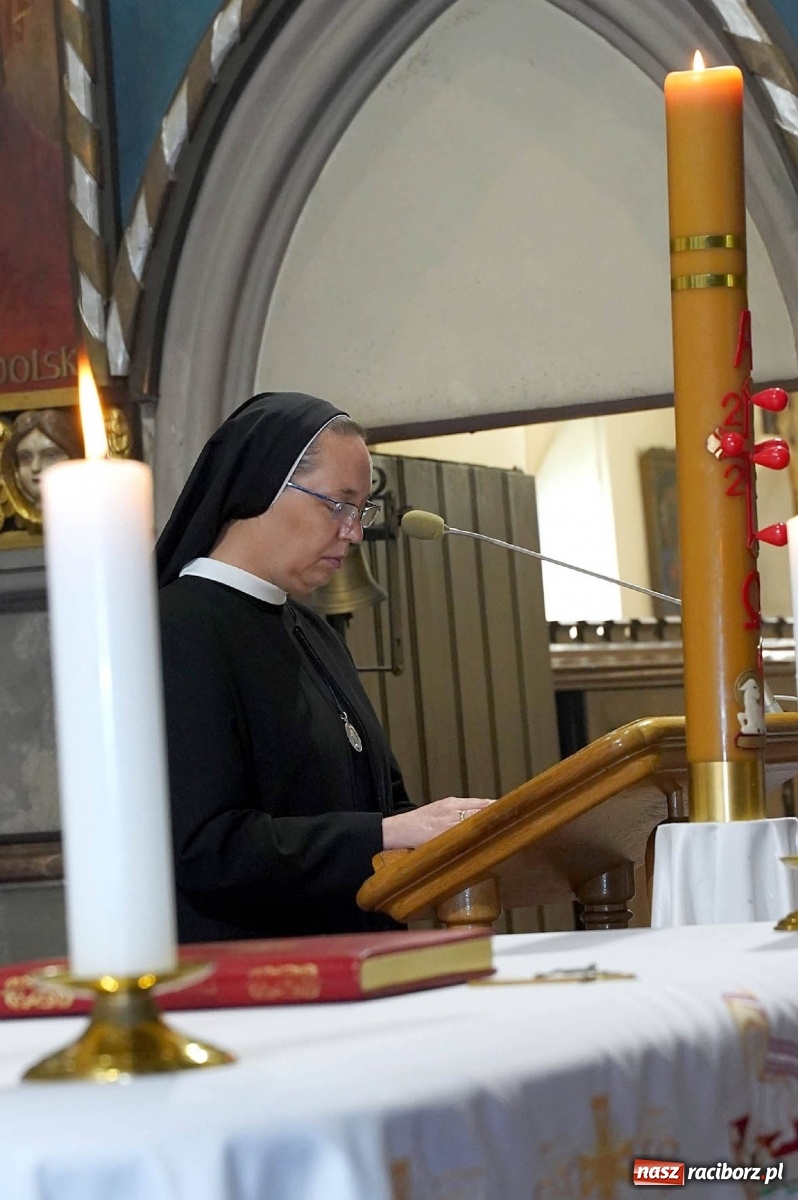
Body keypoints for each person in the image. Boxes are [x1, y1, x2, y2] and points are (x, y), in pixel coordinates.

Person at [156, 392, 492, 942]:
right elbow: (206, 848)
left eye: (361, 510)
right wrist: (381, 835)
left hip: (361, 959)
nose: (354, 532)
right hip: (256, 979)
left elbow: (382, 799)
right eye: (339, 504)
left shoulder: (312, 630)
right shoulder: (177, 628)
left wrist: (452, 832)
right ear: (261, 486)